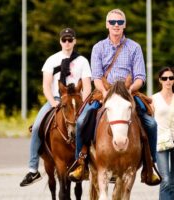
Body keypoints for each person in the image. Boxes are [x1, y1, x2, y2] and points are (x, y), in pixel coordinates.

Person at [69, 8, 161, 185]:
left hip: (129, 92)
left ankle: (151, 165)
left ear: (124, 25)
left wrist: (128, 91)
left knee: (151, 123)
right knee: (82, 121)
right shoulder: (98, 47)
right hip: (104, 91)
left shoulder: (134, 47)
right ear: (107, 25)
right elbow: (96, 77)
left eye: (119, 22)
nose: (116, 25)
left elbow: (141, 77)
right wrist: (105, 93)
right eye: (112, 22)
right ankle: (81, 163)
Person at [20, 28, 92, 187]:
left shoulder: (82, 61)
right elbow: (46, 85)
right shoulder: (51, 60)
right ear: (60, 41)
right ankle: (33, 169)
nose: (67, 43)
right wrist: (52, 102)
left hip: (78, 101)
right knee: (38, 125)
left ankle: (91, 163)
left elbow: (87, 85)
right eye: (64, 40)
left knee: (91, 123)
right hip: (57, 99)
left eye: (70, 39)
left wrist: (84, 103)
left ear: (75, 41)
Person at [151, 67, 174, 200]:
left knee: (173, 181)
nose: (168, 81)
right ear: (160, 80)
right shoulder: (153, 99)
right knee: (165, 180)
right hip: (160, 142)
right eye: (165, 78)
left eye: (171, 78)